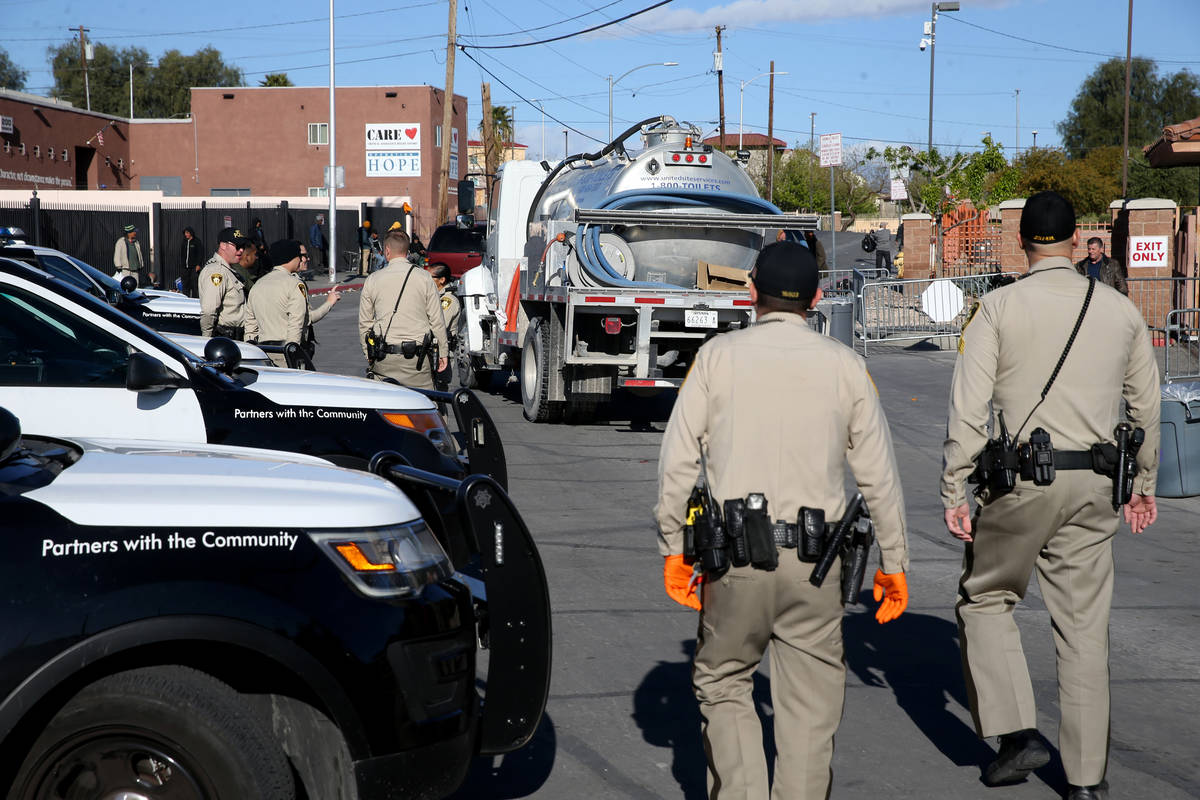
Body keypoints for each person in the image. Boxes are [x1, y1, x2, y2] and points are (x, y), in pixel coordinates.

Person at [654, 241, 910, 799]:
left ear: (751, 293)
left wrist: (673, 546)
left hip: (734, 562)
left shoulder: (717, 358)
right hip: (817, 567)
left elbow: (676, 462)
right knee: (810, 712)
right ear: (817, 298)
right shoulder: (846, 366)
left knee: (723, 684)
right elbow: (879, 478)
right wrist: (894, 563)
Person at [942, 191, 1159, 800]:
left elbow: (968, 408)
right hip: (1095, 485)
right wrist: (1142, 482)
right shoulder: (1120, 311)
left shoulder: (998, 308)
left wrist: (954, 485)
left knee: (985, 598)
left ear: (1022, 243)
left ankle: (1016, 735)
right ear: (1073, 240)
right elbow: (1144, 404)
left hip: (1020, 483)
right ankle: (1087, 781)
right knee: (1085, 628)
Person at [358, 229, 448, 390]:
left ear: (387, 250)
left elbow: (365, 323)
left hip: (384, 358)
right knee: (428, 407)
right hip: (417, 361)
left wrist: (369, 354)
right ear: (407, 252)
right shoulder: (425, 278)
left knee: (384, 408)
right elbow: (437, 320)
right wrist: (443, 352)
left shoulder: (373, 279)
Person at [245, 240, 341, 367]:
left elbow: (250, 324)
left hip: (263, 352)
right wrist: (292, 353)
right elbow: (297, 322)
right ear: (291, 258)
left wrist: (250, 352)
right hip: (285, 352)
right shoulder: (294, 284)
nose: (301, 260)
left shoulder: (258, 285)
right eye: (299, 256)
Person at [198, 227, 252, 339]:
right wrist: (207, 339)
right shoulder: (217, 272)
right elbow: (209, 310)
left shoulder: (228, 271)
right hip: (225, 337)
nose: (241, 250)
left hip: (235, 336)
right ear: (223, 245)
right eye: (237, 246)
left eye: (243, 247)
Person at [181, 227, 203, 297]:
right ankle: (185, 298)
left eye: (187, 233)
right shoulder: (184, 242)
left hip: (194, 267)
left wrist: (198, 264)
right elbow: (182, 254)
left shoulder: (197, 241)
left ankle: (195, 299)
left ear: (191, 233)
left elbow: (200, 253)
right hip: (185, 267)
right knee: (185, 284)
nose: (186, 234)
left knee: (194, 284)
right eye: (185, 233)